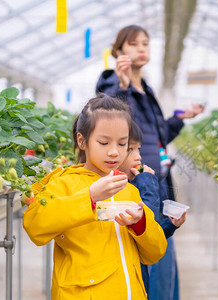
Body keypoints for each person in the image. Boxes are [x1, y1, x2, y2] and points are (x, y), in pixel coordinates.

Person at [23, 94, 167, 300]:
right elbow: (34, 225)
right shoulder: (65, 183)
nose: (114, 152)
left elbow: (155, 252)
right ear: (82, 141)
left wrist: (141, 223)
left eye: (122, 143)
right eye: (104, 142)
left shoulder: (129, 190)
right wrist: (90, 197)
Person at [96, 24, 203, 300]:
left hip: (157, 179)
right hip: (133, 181)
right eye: (134, 44)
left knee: (161, 245)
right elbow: (109, 120)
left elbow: (158, 137)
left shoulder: (146, 89)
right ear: (118, 51)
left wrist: (180, 118)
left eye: (146, 43)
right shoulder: (110, 84)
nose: (142, 48)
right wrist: (121, 86)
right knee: (145, 252)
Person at [119, 121, 186, 296]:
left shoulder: (129, 188)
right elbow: (147, 220)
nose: (138, 157)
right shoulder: (117, 192)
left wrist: (170, 225)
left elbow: (144, 234)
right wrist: (148, 183)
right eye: (130, 150)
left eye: (138, 149)